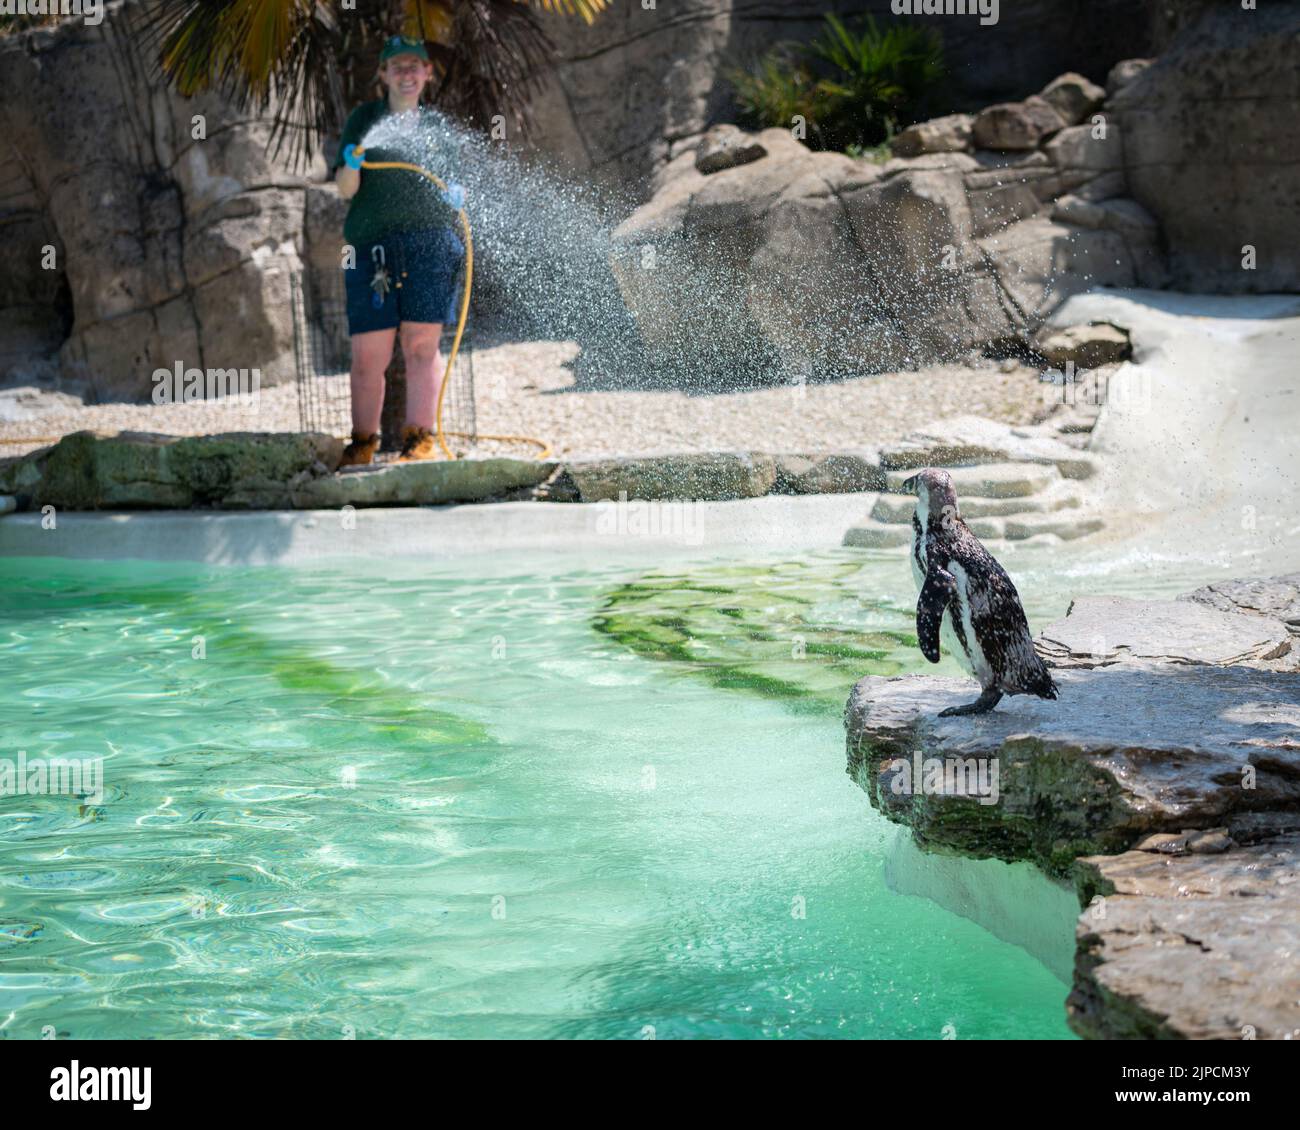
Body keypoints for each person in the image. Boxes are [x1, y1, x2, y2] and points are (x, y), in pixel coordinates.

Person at [332, 35, 465, 465]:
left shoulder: (440, 130)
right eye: (398, 66)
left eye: (415, 66)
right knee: (369, 352)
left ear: (428, 73)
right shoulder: (364, 120)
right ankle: (362, 444)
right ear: (384, 74)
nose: (407, 74)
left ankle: (419, 440)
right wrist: (351, 165)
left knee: (422, 347)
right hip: (372, 247)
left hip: (431, 245)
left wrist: (458, 194)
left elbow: (456, 182)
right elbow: (344, 189)